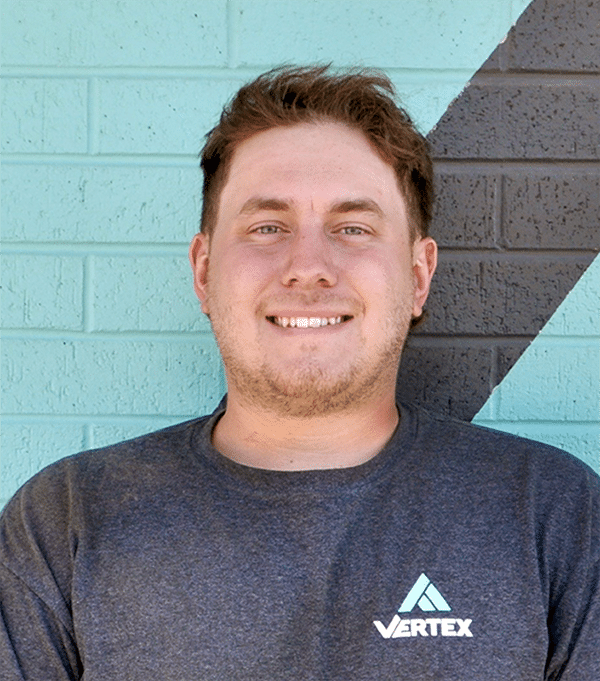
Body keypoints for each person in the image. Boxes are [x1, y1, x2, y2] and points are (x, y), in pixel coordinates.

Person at [1, 65, 598, 681]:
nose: (308, 266)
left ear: (419, 275)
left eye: (352, 228)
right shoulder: (67, 521)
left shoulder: (550, 515)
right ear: (204, 270)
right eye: (267, 227)